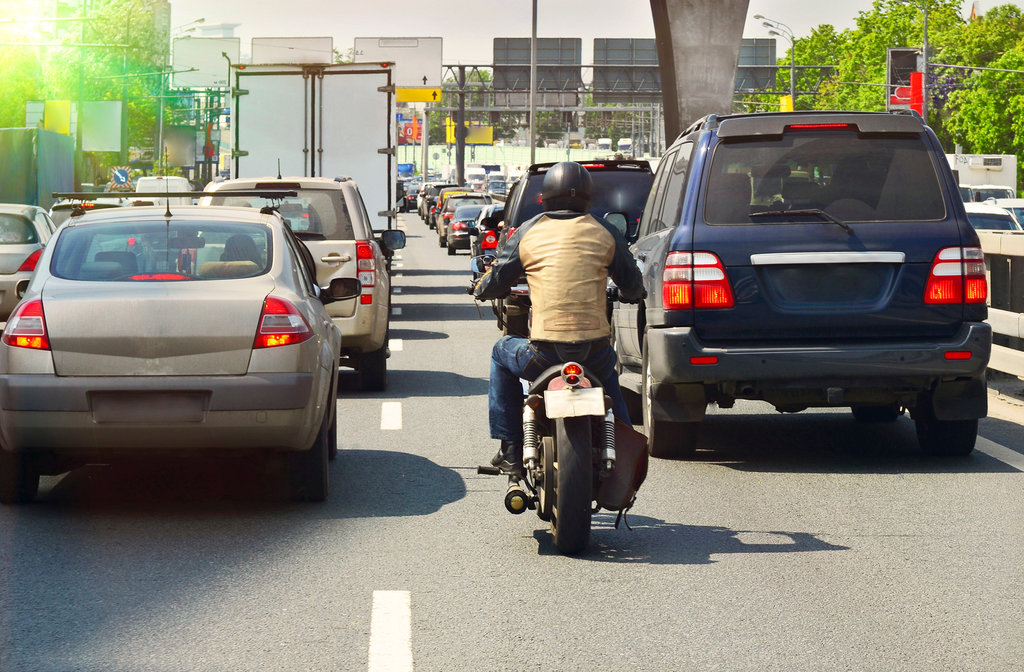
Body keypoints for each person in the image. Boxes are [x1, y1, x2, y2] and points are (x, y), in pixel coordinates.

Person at [474, 161, 645, 474]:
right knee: (612, 383)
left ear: (545, 197)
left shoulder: (528, 232)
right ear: (588, 197)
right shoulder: (605, 232)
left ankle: (511, 446)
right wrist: (633, 294)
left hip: (543, 354)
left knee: (501, 353)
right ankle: (624, 446)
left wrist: (482, 288)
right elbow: (633, 284)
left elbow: (498, 278)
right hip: (594, 354)